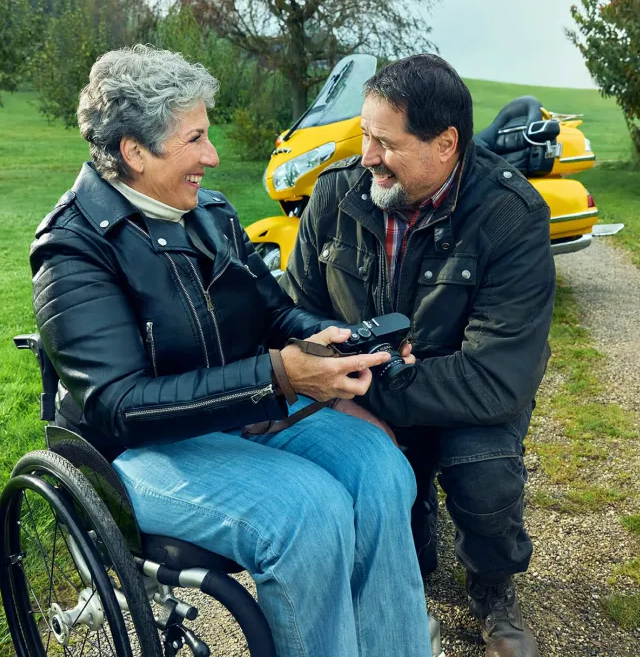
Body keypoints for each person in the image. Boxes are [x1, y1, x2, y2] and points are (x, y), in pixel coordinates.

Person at [29, 45, 432, 657]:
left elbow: (272, 313)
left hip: (247, 411)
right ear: (134, 152)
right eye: (195, 139)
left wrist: (331, 340)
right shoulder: (74, 249)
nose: (212, 157)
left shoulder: (210, 213)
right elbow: (119, 406)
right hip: (136, 452)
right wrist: (278, 377)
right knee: (308, 511)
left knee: (380, 469)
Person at [280, 53, 555, 657]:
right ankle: (412, 561)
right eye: (364, 135)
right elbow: (292, 312)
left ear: (446, 144)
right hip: (359, 385)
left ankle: (493, 588)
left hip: (461, 394)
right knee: (376, 501)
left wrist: (370, 383)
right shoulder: (334, 195)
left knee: (483, 480)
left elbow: (496, 378)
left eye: (385, 142)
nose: (367, 157)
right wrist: (338, 374)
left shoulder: (512, 216)